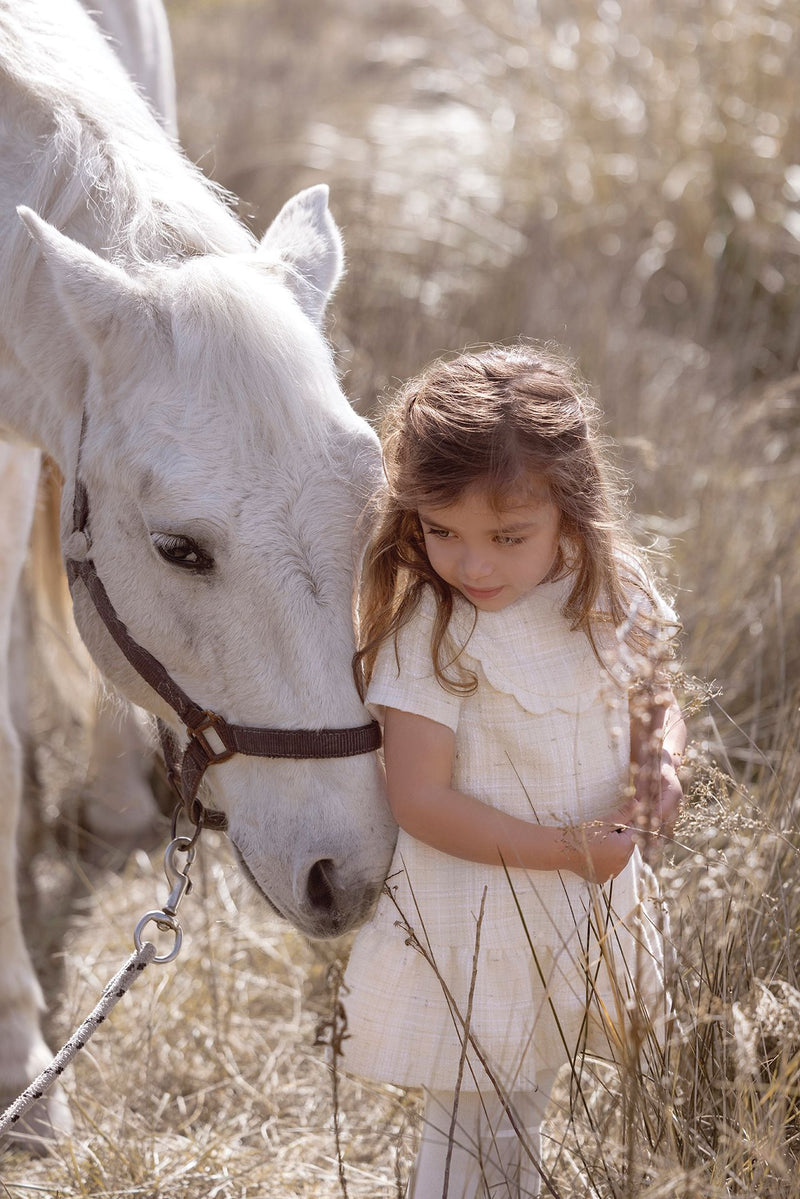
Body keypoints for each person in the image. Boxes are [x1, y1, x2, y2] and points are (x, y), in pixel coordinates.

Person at [341, 344, 686, 1198]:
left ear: (571, 511)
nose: (474, 564)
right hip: (482, 914)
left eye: (507, 535)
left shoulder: (609, 586)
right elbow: (417, 797)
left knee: (522, 1113)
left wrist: (660, 759)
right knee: (472, 1131)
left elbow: (656, 694)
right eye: (441, 531)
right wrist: (566, 846)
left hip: (578, 903)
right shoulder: (434, 624)